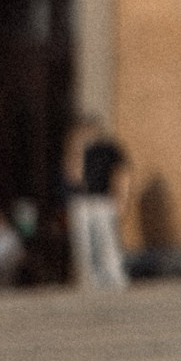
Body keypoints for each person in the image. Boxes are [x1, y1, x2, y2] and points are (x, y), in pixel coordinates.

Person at [62, 115, 132, 291]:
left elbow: (123, 173)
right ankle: (92, 282)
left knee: (108, 240)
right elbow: (73, 178)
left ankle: (116, 279)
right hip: (82, 202)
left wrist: (122, 199)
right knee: (85, 243)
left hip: (104, 200)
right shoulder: (78, 152)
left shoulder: (109, 149)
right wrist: (77, 153)